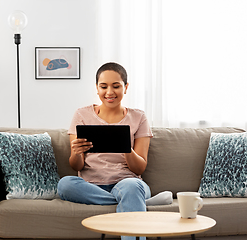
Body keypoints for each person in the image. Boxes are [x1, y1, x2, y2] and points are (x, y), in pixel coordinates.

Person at [57, 62, 172, 240]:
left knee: (132, 187)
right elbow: (75, 165)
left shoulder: (138, 117)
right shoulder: (81, 115)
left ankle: (133, 197)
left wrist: (126, 148)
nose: (109, 92)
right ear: (96, 88)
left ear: (125, 87)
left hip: (127, 182)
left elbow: (139, 168)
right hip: (91, 185)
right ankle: (136, 202)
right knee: (64, 185)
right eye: (103, 86)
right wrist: (77, 152)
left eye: (116, 86)